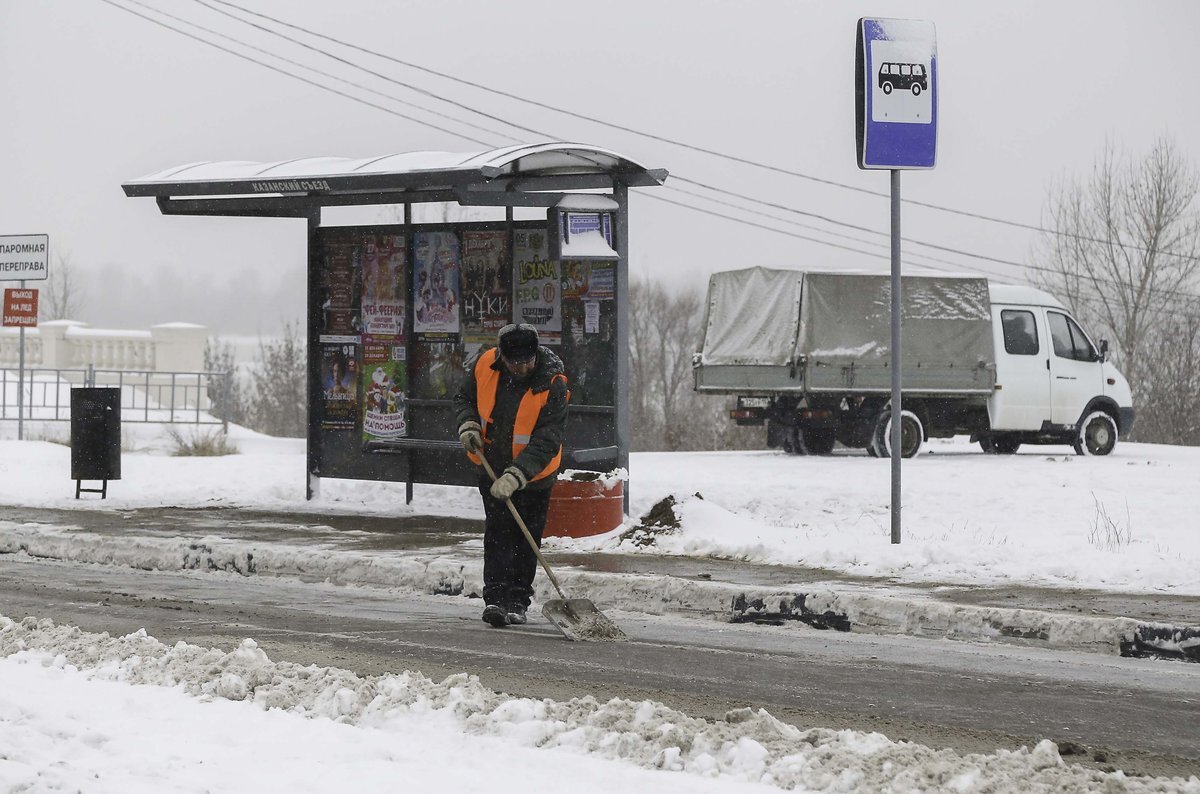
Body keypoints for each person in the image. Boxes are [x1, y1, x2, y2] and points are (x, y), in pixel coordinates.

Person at [453, 323, 570, 628]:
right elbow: (464, 399)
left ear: (536, 355)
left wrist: (517, 474)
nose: (521, 369)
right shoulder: (485, 366)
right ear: (502, 357)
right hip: (491, 467)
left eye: (527, 362)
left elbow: (548, 438)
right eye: (514, 363)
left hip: (535, 476)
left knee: (526, 537)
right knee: (497, 533)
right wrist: (468, 426)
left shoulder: (553, 382)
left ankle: (518, 600)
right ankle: (495, 599)